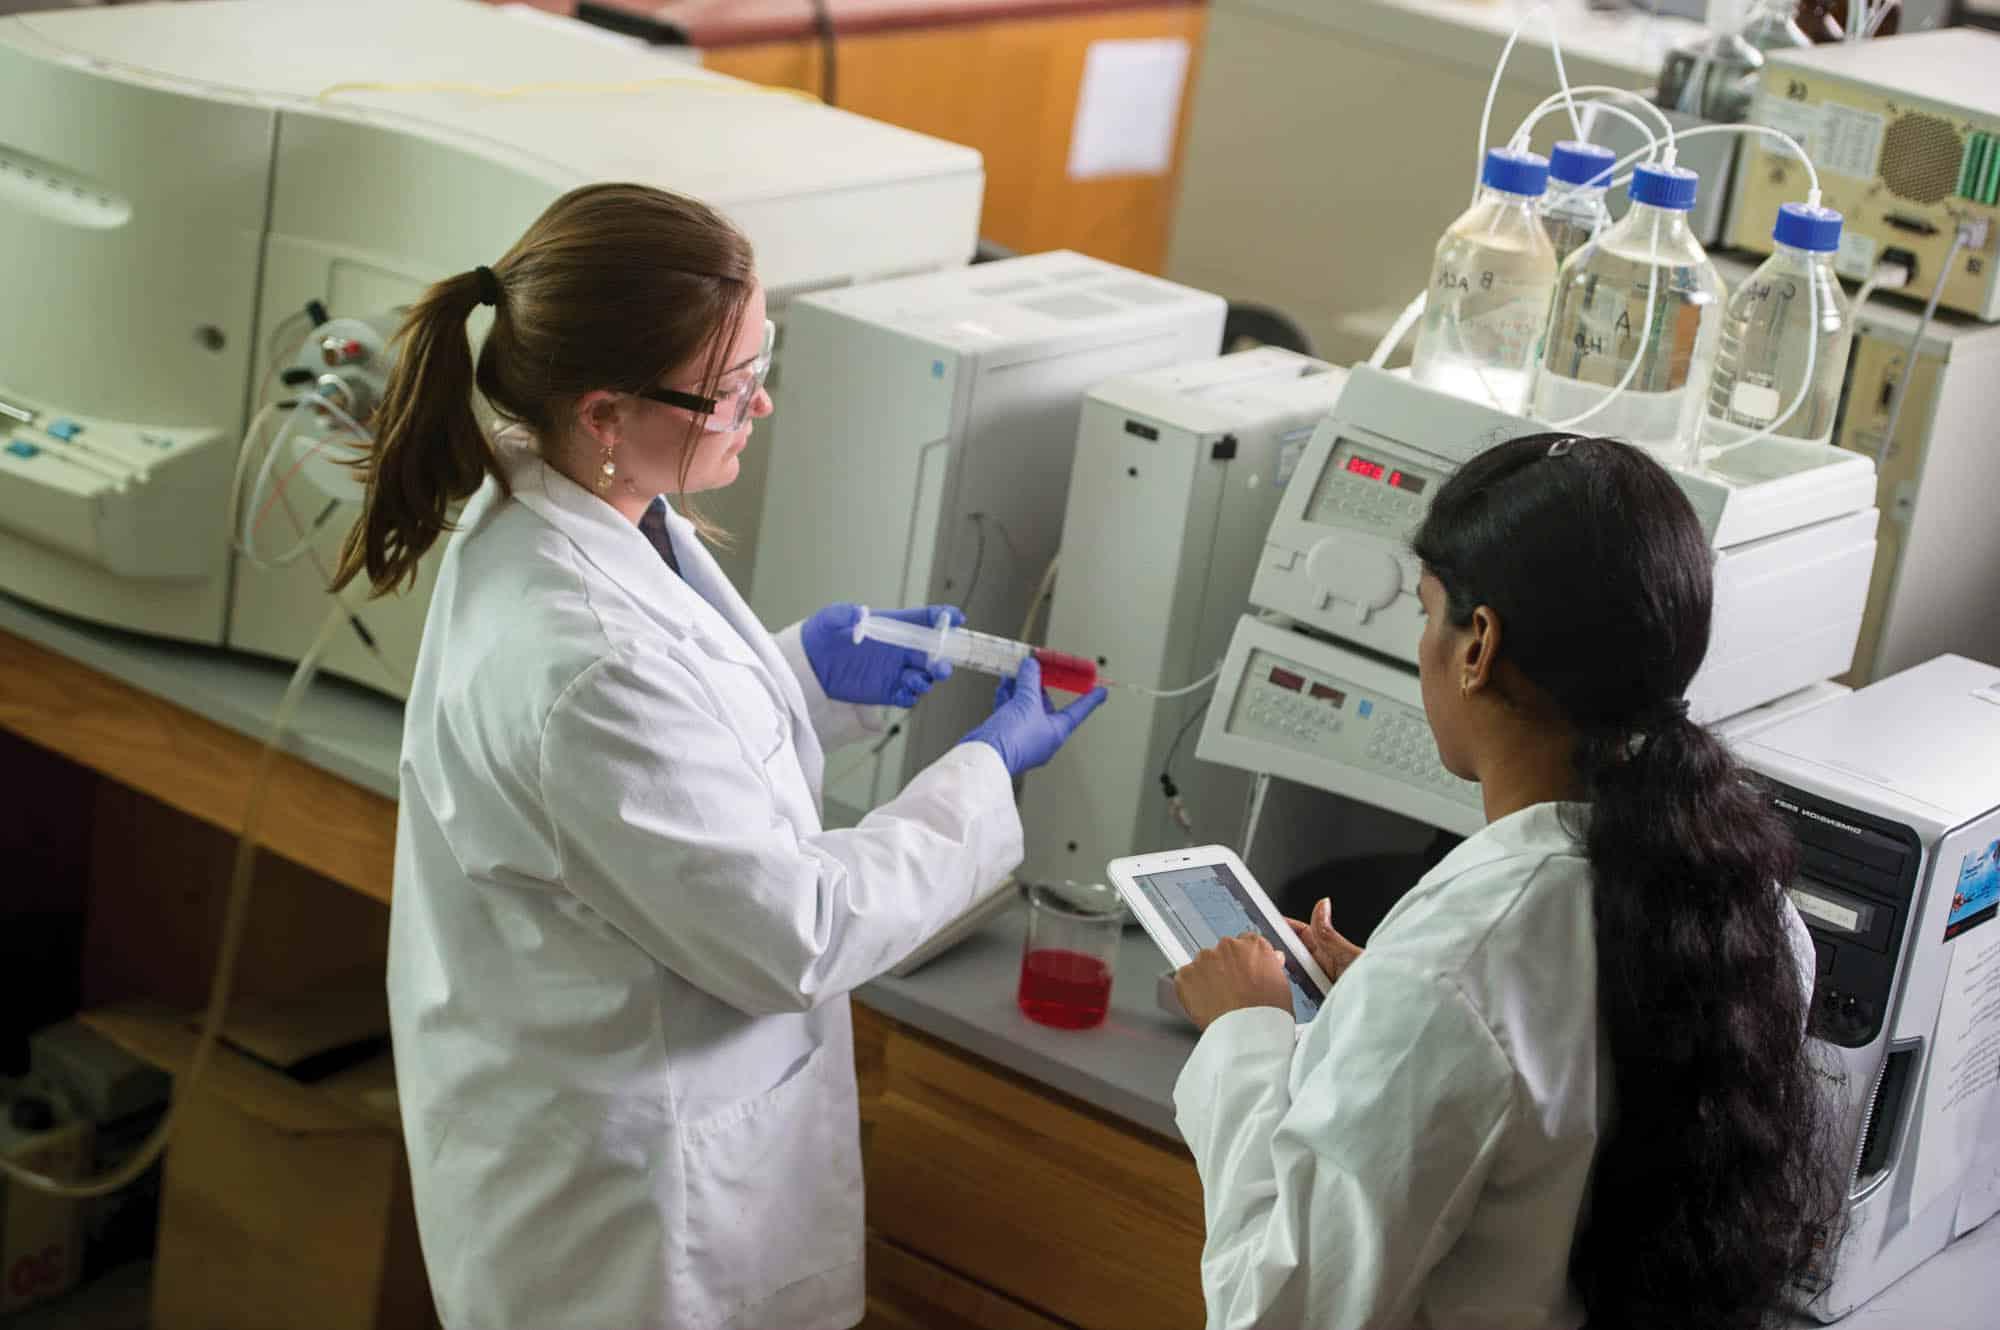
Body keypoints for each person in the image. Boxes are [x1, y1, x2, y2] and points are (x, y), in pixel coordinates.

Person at [329, 183, 1104, 1330]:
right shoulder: (579, 650)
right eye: (733, 388)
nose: (763, 402)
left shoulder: (578, 505)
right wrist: (992, 765)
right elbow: (795, 931)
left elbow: (637, 785)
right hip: (626, 1219)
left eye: (760, 362)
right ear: (603, 410)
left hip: (634, 1138)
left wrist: (796, 674)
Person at [1170, 433, 1840, 1329]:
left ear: (1478, 643)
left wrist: (1247, 1034)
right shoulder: (1749, 908)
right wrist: (1375, 1015)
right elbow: (1552, 1082)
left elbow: (1276, 1310)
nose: (1422, 646)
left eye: (1427, 611)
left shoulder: (1456, 968)